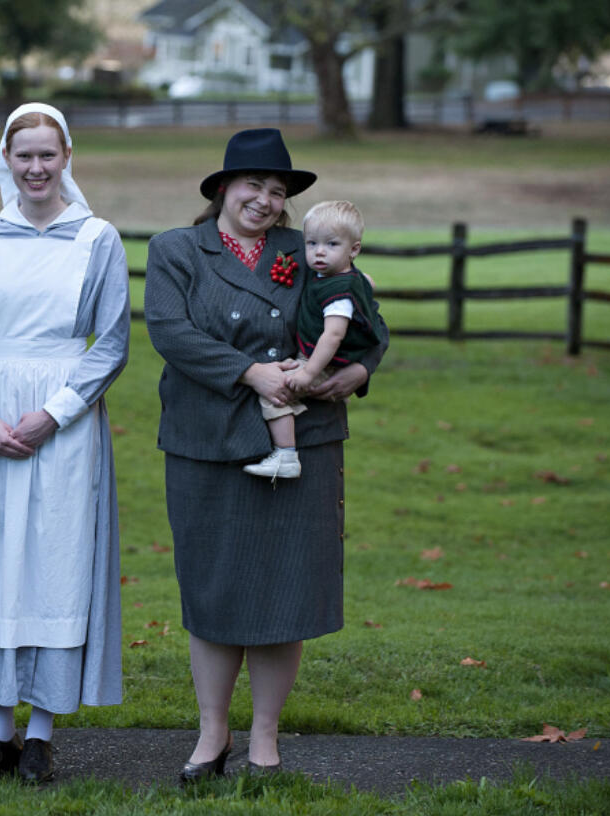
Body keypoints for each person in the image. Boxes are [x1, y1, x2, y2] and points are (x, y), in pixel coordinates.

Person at [143, 128, 388, 781]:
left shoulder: (307, 249)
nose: (263, 198)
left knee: (286, 595)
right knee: (214, 592)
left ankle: (266, 742)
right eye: (252, 184)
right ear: (223, 187)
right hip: (208, 440)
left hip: (302, 443)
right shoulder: (176, 249)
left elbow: (364, 315)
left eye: (277, 190)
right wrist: (251, 373)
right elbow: (171, 332)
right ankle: (211, 736)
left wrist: (357, 373)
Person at [0, 103, 130, 784]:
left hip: (61, 426)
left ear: (67, 156)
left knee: (52, 563)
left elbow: (112, 343)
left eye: (47, 154)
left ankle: (40, 733)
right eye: (23, 155)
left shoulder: (97, 240)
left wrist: (56, 412)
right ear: (5, 160)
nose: (35, 167)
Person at [242, 200, 385, 479]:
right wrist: (366, 282)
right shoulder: (344, 276)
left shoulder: (337, 295)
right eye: (311, 243)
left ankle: (286, 456)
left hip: (322, 362)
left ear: (354, 249)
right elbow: (366, 282)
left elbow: (333, 335)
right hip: (324, 361)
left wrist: (308, 372)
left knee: (275, 392)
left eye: (331, 245)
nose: (319, 252)